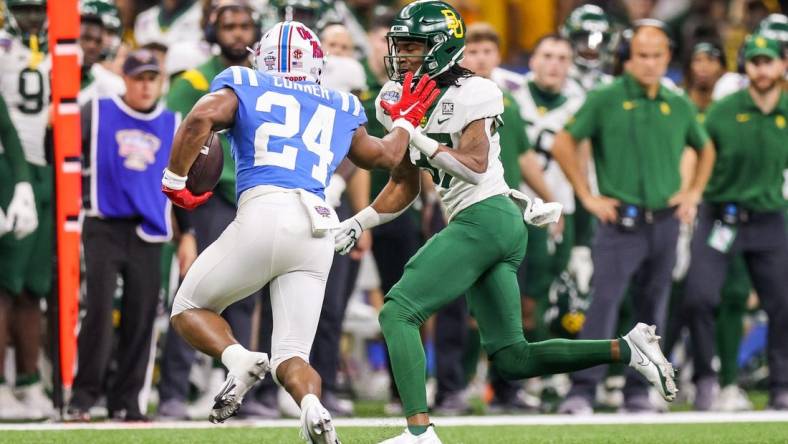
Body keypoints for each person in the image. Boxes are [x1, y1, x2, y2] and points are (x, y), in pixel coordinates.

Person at [335, 3, 677, 442]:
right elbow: (407, 183)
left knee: (398, 312)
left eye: (412, 46)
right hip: (483, 222)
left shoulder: (475, 91)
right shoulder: (392, 98)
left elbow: (476, 166)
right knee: (513, 357)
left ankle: (419, 435)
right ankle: (628, 348)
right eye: (398, 45)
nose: (401, 55)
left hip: (488, 215)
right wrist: (361, 221)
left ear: (441, 47)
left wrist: (412, 129)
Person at [162, 20, 439, 443]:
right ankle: (311, 404)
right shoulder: (340, 103)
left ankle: (237, 359)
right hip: (317, 225)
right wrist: (404, 121)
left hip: (264, 209)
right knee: (292, 354)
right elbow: (385, 156)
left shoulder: (243, 81)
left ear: (264, 58)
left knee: (187, 310)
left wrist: (176, 180)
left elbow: (201, 116)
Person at [552, 22, 716, 414]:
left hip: (664, 221)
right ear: (628, 58)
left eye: (657, 56)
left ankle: (638, 393)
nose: (649, 63)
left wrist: (693, 191)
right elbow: (563, 143)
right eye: (641, 55)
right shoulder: (605, 98)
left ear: (667, 58)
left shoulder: (677, 103)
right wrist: (587, 196)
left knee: (652, 314)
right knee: (603, 305)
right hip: (618, 223)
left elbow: (705, 147)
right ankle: (582, 390)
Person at [156, 0, 280, 420]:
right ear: (213, 31)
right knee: (193, 295)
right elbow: (173, 142)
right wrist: (184, 224)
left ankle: (238, 392)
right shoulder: (193, 80)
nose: (238, 34)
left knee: (244, 298)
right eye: (230, 26)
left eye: (246, 26)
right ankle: (173, 391)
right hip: (206, 200)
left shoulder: (264, 81)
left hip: (249, 198)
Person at [68, 50, 179, 421]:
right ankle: (83, 399)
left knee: (142, 316)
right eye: (139, 78)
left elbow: (181, 183)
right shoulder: (96, 111)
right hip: (103, 223)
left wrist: (187, 234)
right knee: (98, 312)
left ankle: (126, 402)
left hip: (149, 229)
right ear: (126, 80)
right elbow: (64, 154)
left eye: (152, 78)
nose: (146, 85)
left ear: (160, 82)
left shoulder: (172, 123)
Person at [681, 33, 788, 412]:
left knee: (783, 303)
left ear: (782, 65)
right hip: (720, 214)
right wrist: (690, 193)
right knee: (699, 297)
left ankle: (781, 386)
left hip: (769, 217)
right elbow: (696, 149)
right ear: (747, 66)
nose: (762, 68)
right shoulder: (724, 110)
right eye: (755, 61)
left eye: (768, 60)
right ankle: (707, 381)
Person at [0, 0, 53, 420]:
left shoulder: (59, 51)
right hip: (8, 166)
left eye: (38, 8)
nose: (31, 17)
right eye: (23, 8)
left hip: (48, 170)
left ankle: (29, 382)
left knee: (34, 285)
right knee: (4, 281)